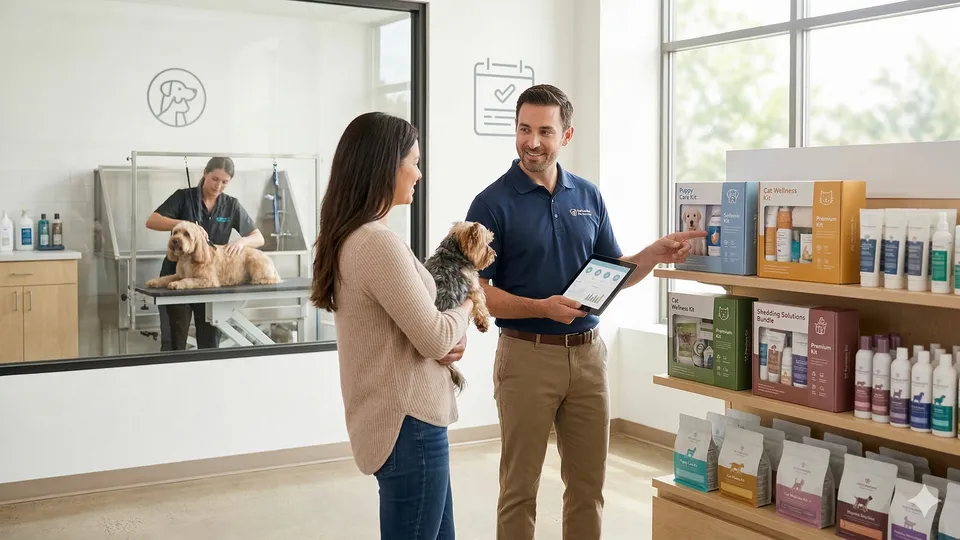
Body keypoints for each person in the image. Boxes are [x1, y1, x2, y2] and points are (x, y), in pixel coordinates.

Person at [464, 84, 705, 540]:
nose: (531, 141)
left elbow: (612, 273)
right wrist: (540, 307)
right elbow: (474, 288)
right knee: (519, 489)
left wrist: (651, 254)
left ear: (566, 135)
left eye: (544, 131)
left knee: (589, 488)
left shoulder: (588, 196)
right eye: (523, 129)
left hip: (589, 358)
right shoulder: (491, 203)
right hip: (525, 357)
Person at [311, 111, 471, 540]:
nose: (418, 173)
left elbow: (428, 332)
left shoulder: (357, 236)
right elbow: (435, 335)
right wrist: (469, 306)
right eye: (414, 162)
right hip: (410, 424)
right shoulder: (377, 242)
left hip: (406, 422)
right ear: (386, 166)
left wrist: (444, 332)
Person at [146, 156, 265, 350]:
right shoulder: (183, 197)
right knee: (174, 340)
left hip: (209, 280)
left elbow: (258, 238)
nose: (218, 186)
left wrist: (243, 241)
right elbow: (152, 221)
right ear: (205, 174)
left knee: (209, 341)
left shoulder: (231, 205)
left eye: (224, 182)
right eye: (214, 179)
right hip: (178, 275)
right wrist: (185, 225)